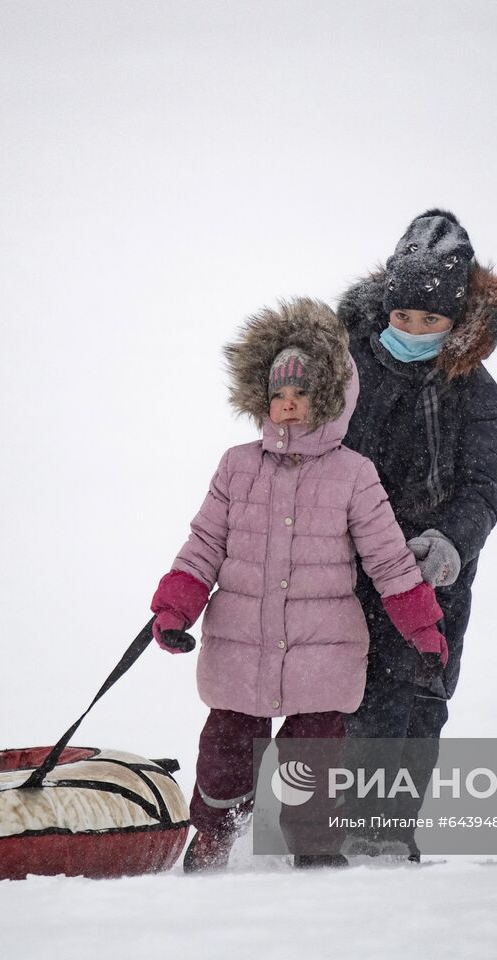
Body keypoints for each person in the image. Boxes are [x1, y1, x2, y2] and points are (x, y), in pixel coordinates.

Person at [148, 297, 448, 872]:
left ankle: (314, 850)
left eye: (301, 397)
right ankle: (213, 839)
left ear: (329, 400)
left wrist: (424, 627)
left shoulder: (354, 474)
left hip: (322, 652)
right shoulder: (236, 466)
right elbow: (204, 545)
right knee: (224, 754)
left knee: (312, 762)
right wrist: (174, 607)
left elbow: (389, 561)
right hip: (241, 645)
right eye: (278, 397)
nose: (287, 408)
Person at [336, 208, 497, 857]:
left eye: (429, 321)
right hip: (352, 567)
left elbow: (481, 490)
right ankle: (340, 830)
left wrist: (450, 544)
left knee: (421, 697)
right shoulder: (345, 369)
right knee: (357, 696)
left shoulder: (476, 391)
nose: (413, 330)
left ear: (455, 321)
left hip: (433, 577)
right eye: (402, 317)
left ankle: (389, 833)